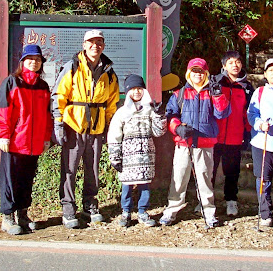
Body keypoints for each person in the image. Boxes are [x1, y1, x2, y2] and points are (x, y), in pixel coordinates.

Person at [52, 29, 120, 229]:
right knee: (69, 169)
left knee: (92, 170)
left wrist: (109, 126)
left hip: (97, 128)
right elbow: (59, 95)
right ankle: (68, 208)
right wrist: (58, 122)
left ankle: (90, 205)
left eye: (99, 42)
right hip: (74, 126)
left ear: (103, 46)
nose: (95, 46)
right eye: (91, 42)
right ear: (84, 45)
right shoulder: (72, 67)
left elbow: (112, 102)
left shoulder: (108, 70)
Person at [159, 58, 231, 228]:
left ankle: (208, 211)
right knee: (179, 177)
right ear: (188, 72)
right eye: (194, 70)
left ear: (206, 73)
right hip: (184, 144)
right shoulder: (180, 94)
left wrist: (218, 94)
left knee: (204, 178)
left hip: (205, 144)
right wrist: (177, 129)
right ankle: (172, 209)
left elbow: (222, 113)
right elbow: (170, 116)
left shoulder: (212, 92)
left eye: (201, 71)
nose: (197, 74)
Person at [0, 44, 54, 235]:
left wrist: (45, 138)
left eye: (37, 60)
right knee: (10, 180)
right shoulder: (12, 82)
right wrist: (3, 134)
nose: (34, 63)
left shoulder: (43, 86)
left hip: (33, 143)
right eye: (30, 59)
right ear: (23, 61)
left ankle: (23, 214)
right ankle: (7, 217)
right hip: (14, 141)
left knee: (26, 181)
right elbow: (2, 111)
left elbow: (46, 115)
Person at [107, 74, 166, 227]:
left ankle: (142, 212)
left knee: (144, 186)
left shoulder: (150, 110)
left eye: (139, 89)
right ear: (128, 92)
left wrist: (160, 116)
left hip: (146, 157)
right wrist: (115, 157)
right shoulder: (121, 112)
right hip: (127, 158)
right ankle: (126, 212)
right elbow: (114, 135)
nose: (136, 92)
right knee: (126, 186)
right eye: (133, 89)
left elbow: (158, 132)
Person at [246, 57, 273, 229]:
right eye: (270, 70)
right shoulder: (259, 93)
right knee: (263, 179)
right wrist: (259, 124)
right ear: (265, 74)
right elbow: (251, 114)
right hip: (261, 143)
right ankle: (265, 213)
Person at [211, 51, 254, 216]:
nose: (234, 65)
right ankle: (206, 202)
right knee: (210, 170)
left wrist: (248, 134)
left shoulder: (247, 87)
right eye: (230, 62)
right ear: (224, 66)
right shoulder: (215, 82)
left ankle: (231, 201)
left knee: (232, 172)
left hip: (235, 137)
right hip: (215, 135)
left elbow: (248, 112)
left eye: (237, 62)